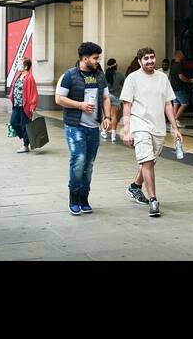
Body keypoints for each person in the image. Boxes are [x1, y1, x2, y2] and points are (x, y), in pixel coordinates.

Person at [121, 46, 182, 218]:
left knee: (149, 161)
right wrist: (127, 130)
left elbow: (168, 104)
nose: (150, 61)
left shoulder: (162, 78)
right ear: (139, 61)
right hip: (139, 125)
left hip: (158, 128)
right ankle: (153, 200)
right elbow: (127, 105)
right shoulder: (132, 79)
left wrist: (175, 128)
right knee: (147, 161)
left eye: (152, 57)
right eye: (146, 58)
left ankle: (134, 187)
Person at [55, 41, 112, 215]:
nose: (97, 61)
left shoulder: (100, 76)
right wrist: (80, 105)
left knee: (89, 164)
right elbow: (59, 99)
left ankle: (84, 197)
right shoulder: (69, 75)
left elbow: (105, 98)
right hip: (75, 126)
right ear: (85, 58)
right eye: (95, 58)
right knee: (78, 160)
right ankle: (73, 197)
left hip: (93, 127)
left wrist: (107, 117)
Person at [9, 57, 38, 153]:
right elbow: (14, 88)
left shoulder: (29, 77)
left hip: (25, 106)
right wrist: (11, 96)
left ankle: (26, 145)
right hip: (17, 104)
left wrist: (32, 105)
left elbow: (33, 92)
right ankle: (26, 138)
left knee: (25, 125)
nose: (18, 65)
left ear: (25, 67)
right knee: (13, 122)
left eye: (20, 64)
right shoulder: (18, 75)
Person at [169, 49, 193, 128]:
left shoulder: (173, 65)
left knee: (176, 104)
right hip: (179, 87)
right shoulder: (179, 65)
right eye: (182, 54)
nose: (183, 56)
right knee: (185, 103)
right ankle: (175, 119)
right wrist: (189, 80)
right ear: (178, 55)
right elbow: (181, 76)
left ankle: (173, 122)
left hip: (173, 87)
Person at [101, 58, 125, 143]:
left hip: (106, 96)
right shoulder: (120, 75)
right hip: (116, 97)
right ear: (116, 65)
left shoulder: (104, 75)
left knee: (106, 115)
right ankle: (113, 136)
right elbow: (124, 85)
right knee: (114, 116)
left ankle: (104, 132)